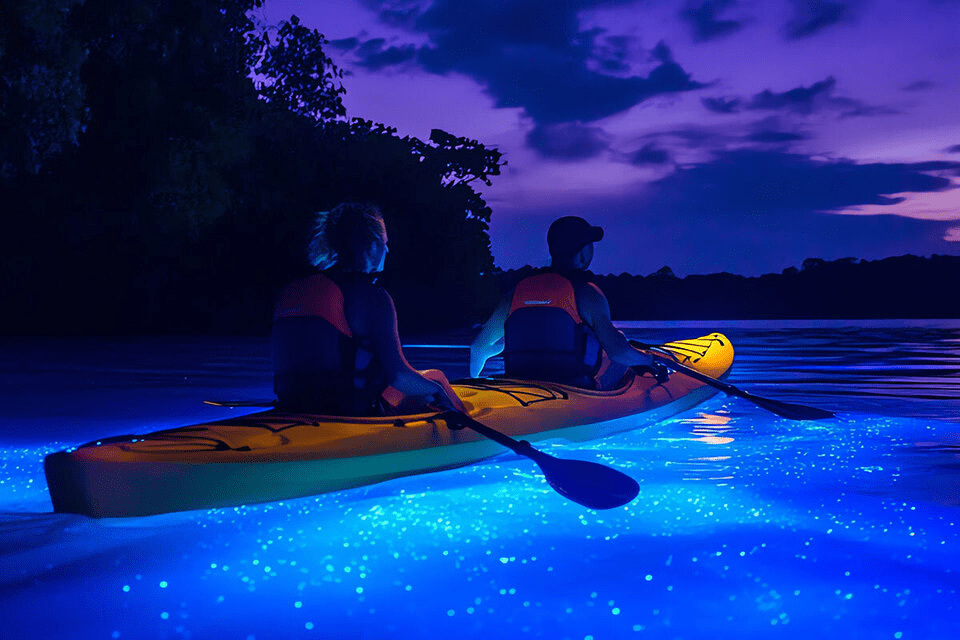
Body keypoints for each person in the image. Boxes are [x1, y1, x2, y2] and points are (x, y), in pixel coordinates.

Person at [271, 202, 466, 415]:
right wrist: (440, 394)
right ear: (372, 245)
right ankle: (468, 432)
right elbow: (398, 376)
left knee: (432, 376)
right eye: (385, 242)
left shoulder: (293, 290)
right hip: (350, 414)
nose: (387, 249)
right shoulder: (373, 297)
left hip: (291, 408)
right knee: (435, 380)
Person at [469, 215, 667, 389]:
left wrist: (475, 380)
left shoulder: (516, 293)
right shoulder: (588, 293)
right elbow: (618, 352)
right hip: (573, 388)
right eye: (590, 245)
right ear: (583, 252)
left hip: (520, 385)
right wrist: (649, 361)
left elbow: (478, 348)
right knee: (619, 341)